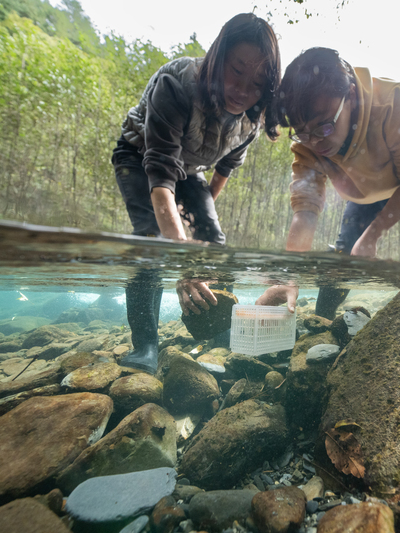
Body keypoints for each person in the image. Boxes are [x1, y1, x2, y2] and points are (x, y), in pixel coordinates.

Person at [113, 13, 281, 373]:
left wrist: (199, 228)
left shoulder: (254, 116)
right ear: (218, 57)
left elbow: (223, 172)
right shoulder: (177, 83)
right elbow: (160, 182)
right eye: (236, 71)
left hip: (191, 171)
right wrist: (182, 262)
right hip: (140, 154)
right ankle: (145, 346)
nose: (243, 90)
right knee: (152, 242)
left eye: (257, 83)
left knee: (216, 246)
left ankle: (217, 328)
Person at [256, 47, 400, 318]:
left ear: (349, 95)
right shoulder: (309, 143)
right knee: (347, 249)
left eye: (324, 127)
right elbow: (305, 210)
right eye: (302, 132)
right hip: (367, 185)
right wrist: (289, 274)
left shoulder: (396, 103)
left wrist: (373, 235)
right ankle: (323, 318)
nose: (315, 141)